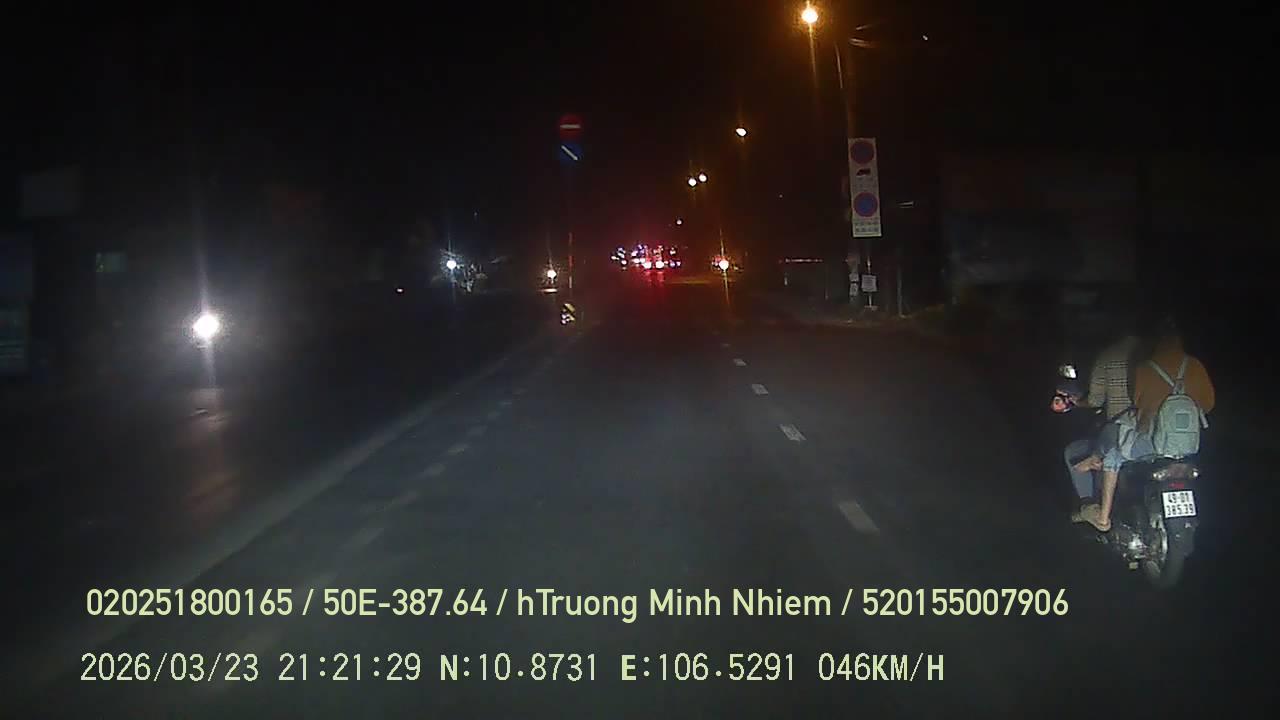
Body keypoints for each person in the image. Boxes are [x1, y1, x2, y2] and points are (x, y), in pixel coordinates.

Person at [1076, 316, 1215, 531]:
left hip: (1152, 444)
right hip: (1189, 445)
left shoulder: (1146, 368)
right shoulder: (1195, 365)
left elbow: (1137, 401)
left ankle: (1103, 517)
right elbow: (1208, 404)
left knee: (1113, 452)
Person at [1062, 320, 1141, 512]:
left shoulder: (1108, 356)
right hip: (1152, 434)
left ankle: (1089, 507)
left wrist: (1077, 402)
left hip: (1119, 433)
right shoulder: (1152, 355)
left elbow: (1095, 401)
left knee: (1074, 452)